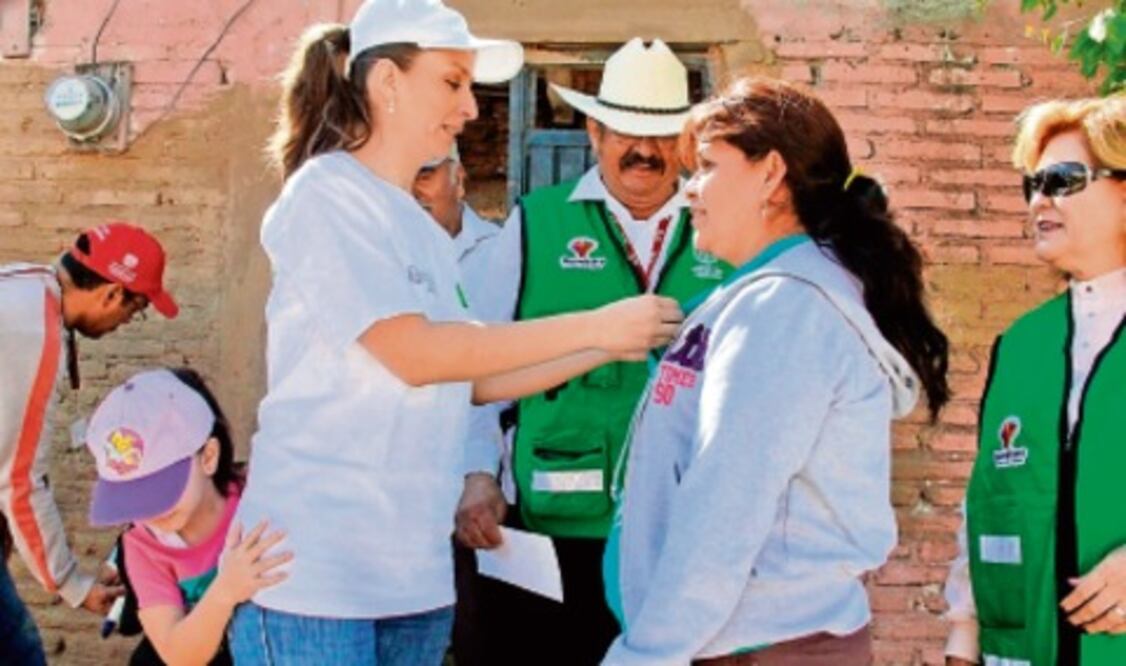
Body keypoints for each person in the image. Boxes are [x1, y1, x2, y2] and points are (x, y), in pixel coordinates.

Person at [227, 1, 683, 664]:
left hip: (410, 579)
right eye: (452, 83)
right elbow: (415, 354)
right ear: (387, 83)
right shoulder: (326, 197)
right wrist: (597, 323)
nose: (471, 108)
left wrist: (606, 344)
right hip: (318, 578)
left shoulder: (417, 225)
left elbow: (474, 379)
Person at [603, 76, 951, 665]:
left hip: (756, 647)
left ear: (770, 174)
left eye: (707, 166)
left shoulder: (785, 307)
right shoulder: (771, 295)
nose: (688, 191)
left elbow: (727, 499)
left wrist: (648, 651)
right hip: (741, 639)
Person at [452, 37, 730, 666]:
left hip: (680, 535)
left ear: (686, 141)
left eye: (662, 135)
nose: (644, 151)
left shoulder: (723, 225)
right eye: (626, 131)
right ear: (594, 130)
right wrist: (476, 475)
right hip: (553, 529)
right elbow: (476, 358)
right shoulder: (535, 222)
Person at [944, 94, 1126, 666]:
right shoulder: (1022, 345)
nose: (1039, 199)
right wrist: (962, 638)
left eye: (1064, 179)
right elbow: (986, 506)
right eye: (1033, 183)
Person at [0, 222, 177, 663]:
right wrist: (72, 585)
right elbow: (19, 481)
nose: (125, 323)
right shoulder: (34, 332)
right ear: (112, 293)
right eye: (133, 311)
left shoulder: (24, 284)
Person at [83, 368, 288, 666]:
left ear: (208, 457)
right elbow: (178, 655)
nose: (149, 510)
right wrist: (225, 590)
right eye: (132, 497)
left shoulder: (254, 498)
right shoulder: (142, 546)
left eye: (159, 489)